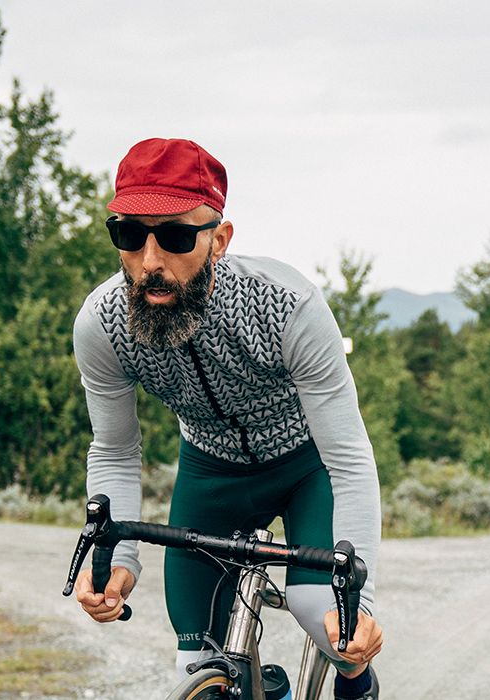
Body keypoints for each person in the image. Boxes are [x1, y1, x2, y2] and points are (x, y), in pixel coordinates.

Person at [68, 137, 383, 699]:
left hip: (308, 466)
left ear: (219, 239)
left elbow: (350, 458)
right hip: (211, 472)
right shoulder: (103, 323)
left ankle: (356, 679)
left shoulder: (287, 305)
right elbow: (114, 450)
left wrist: (360, 599)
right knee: (193, 664)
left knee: (321, 612)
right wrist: (116, 559)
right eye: (129, 235)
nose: (150, 262)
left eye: (175, 236)